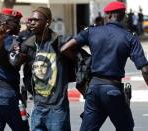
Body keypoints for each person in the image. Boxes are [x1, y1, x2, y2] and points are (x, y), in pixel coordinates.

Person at [61, 1, 148, 131]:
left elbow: (65, 49)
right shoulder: (130, 37)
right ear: (123, 16)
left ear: (108, 16)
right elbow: (145, 69)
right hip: (113, 89)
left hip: (93, 89)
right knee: (126, 127)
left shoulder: (91, 32)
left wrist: (82, 60)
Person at [19, 7, 72, 131]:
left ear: (47, 22)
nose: (32, 22)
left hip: (57, 108)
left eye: (36, 20)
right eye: (30, 19)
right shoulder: (29, 45)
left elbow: (80, 60)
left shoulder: (59, 42)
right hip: (38, 106)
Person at [0, 8, 29, 131]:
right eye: (16, 22)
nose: (19, 26)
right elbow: (13, 63)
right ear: (5, 24)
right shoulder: (12, 42)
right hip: (7, 95)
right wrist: (25, 57)